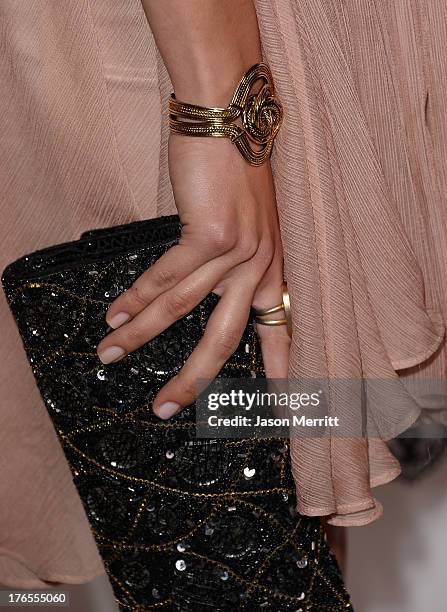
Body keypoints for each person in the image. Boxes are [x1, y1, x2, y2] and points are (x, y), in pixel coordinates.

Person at [1, 0, 446, 608]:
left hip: (303, 45)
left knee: (292, 468)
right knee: (232, 519)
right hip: (189, 52)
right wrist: (220, 119)